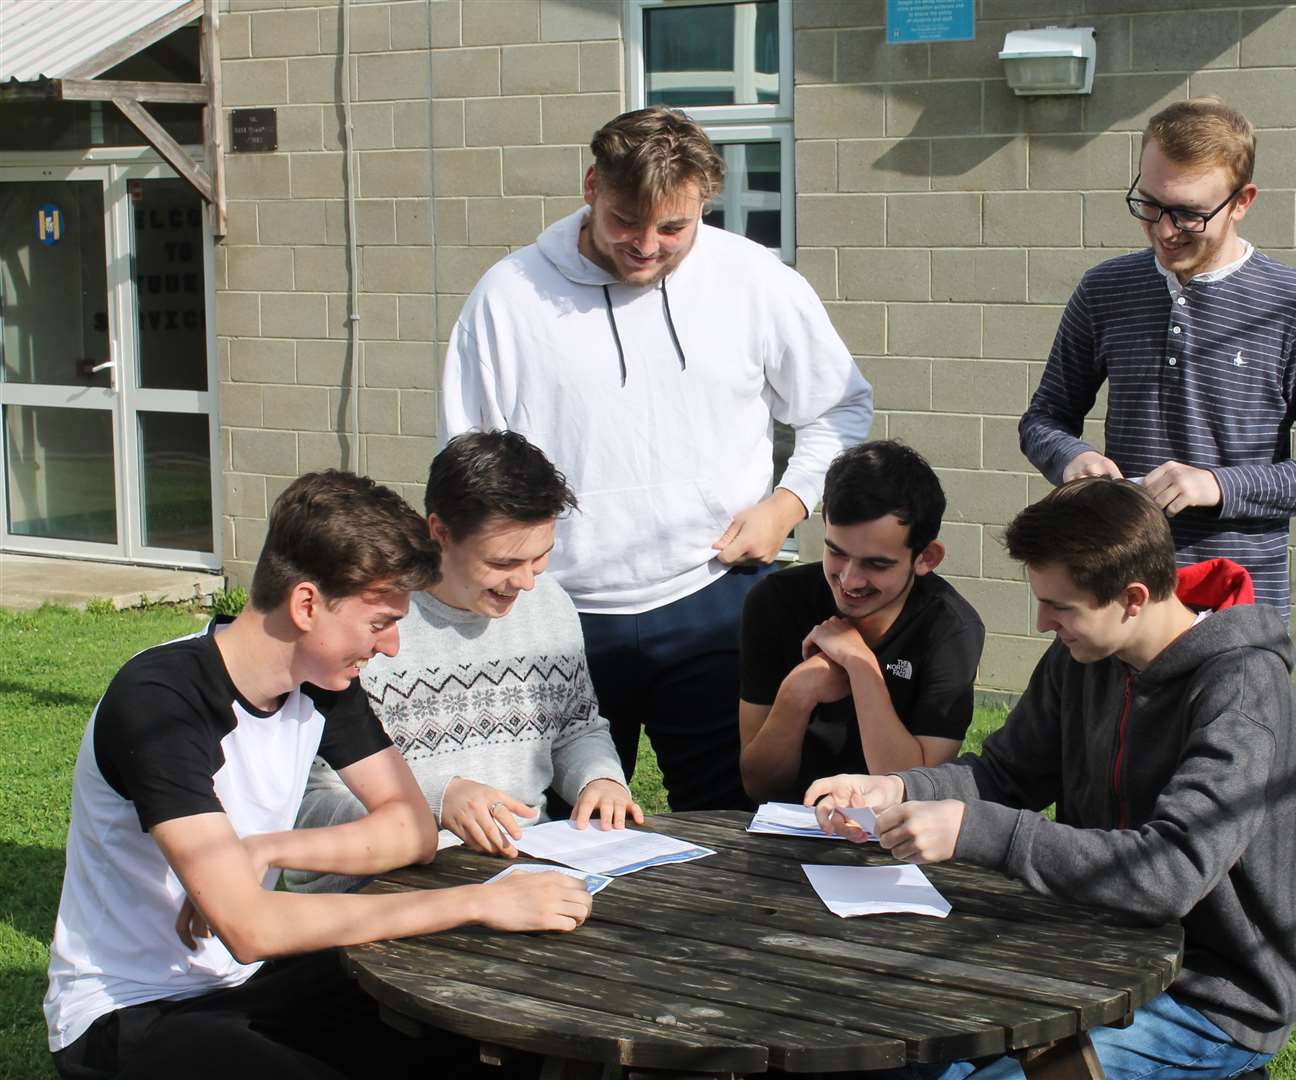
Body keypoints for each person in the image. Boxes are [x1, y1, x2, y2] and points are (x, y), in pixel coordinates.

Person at [44, 471, 594, 1080]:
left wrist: (266, 848)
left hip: (247, 986)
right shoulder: (160, 701)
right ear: (307, 605)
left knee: (476, 1017)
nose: (390, 647)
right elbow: (249, 926)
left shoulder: (323, 683)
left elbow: (409, 830)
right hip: (130, 1014)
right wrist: (477, 902)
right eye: (380, 621)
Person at [440, 106, 873, 811]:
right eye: (625, 222)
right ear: (590, 186)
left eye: (674, 227)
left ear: (706, 203)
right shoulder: (507, 298)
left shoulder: (753, 280)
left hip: (715, 598)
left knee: (734, 823)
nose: (647, 245)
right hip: (554, 612)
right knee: (553, 830)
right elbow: (467, 464)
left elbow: (839, 408)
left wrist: (788, 504)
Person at [810, 478, 1296, 1080]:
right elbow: (1005, 773)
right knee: (884, 1050)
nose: (1044, 622)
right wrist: (898, 789)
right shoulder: (1087, 655)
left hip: (1212, 996)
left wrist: (983, 832)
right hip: (1086, 956)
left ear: (1132, 598)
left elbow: (1172, 871)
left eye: (1060, 606)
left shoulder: (1241, 689)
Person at [1019, 97, 1296, 614]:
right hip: (1120, 592)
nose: (1163, 229)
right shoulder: (1105, 290)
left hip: (1238, 605)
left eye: (1188, 213)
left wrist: (1216, 485)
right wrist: (1073, 458)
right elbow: (1043, 420)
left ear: (1242, 200)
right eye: (1150, 204)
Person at [290, 432, 640, 894]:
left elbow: (576, 727)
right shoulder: (367, 622)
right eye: (503, 561)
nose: (525, 582)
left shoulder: (550, 604)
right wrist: (433, 803)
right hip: (380, 886)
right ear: (440, 532)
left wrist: (600, 780)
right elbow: (309, 801)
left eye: (541, 557)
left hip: (525, 868)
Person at [737, 441, 986, 803]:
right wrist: (797, 692)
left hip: (892, 837)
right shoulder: (774, 602)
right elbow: (759, 786)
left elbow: (916, 793)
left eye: (877, 564)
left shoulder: (949, 629)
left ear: (926, 558)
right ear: (824, 525)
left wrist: (860, 665)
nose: (850, 581)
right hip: (791, 823)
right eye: (836, 553)